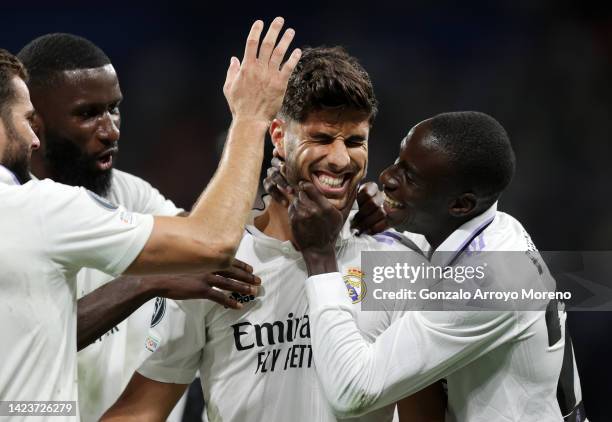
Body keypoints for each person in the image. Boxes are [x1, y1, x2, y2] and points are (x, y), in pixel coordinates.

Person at [102, 46, 444, 422]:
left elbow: (422, 412)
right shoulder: (215, 268)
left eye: (354, 141)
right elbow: (143, 408)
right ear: (279, 136)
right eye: (322, 137)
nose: (340, 159)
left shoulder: (397, 261)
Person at [0, 17, 300, 418]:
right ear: (36, 120)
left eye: (114, 109)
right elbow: (209, 243)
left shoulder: (129, 193)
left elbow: (213, 249)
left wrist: (329, 209)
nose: (110, 130)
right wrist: (249, 119)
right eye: (87, 114)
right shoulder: (31, 208)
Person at [288, 111, 587, 422]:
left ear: (460, 205)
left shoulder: (485, 282)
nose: (387, 178)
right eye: (398, 161)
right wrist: (391, 223)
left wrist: (320, 256)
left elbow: (352, 392)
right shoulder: (493, 228)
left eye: (411, 178)